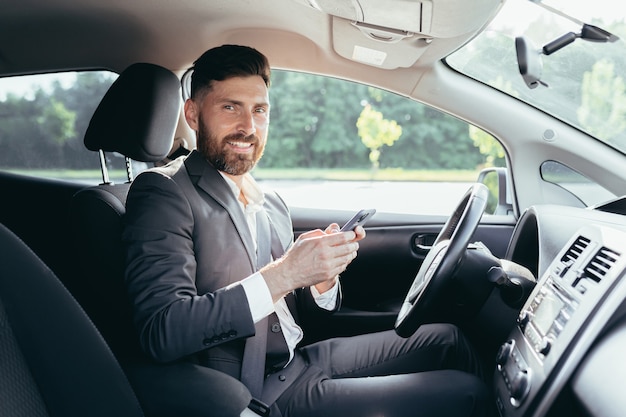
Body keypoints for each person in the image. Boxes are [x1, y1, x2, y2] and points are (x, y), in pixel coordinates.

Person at [123, 44, 490, 417]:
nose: (248, 127)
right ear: (193, 113)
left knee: (450, 339)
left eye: (260, 110)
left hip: (299, 360)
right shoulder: (165, 191)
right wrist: (285, 272)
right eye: (230, 107)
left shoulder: (270, 201)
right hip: (249, 391)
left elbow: (300, 316)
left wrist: (321, 280)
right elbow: (162, 332)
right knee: (469, 393)